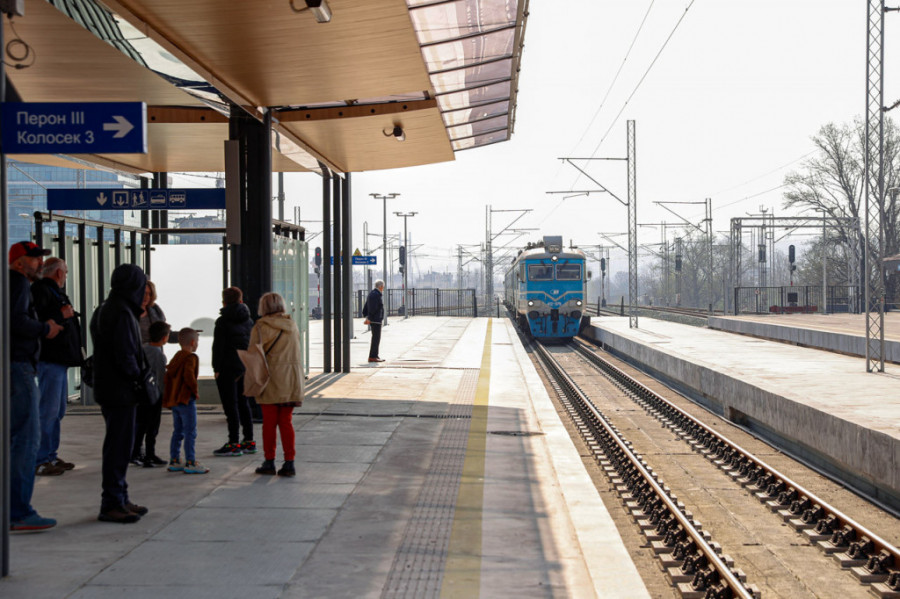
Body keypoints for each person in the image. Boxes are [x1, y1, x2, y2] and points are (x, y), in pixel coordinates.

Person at [91, 263, 151, 524]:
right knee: (119, 447)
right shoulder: (122, 312)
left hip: (110, 388)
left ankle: (120, 497)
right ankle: (113, 502)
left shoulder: (107, 308)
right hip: (120, 391)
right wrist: (139, 380)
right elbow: (126, 355)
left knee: (119, 445)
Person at [8, 241, 62, 532]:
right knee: (26, 440)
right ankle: (19, 511)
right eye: (33, 259)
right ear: (19, 262)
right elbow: (16, 322)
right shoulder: (17, 284)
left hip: (14, 367)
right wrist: (45, 328)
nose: (40, 263)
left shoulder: (13, 284)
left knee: (17, 438)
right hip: (19, 367)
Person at [31, 257, 82, 476]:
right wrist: (60, 316)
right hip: (51, 359)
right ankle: (41, 459)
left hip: (59, 359)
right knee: (49, 410)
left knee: (58, 410)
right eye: (66, 272)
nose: (66, 277)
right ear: (59, 273)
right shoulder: (42, 291)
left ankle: (50, 455)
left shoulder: (50, 291)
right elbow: (38, 321)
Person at [250, 292, 303, 477]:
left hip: (270, 380)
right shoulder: (292, 325)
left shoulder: (260, 327)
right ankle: (289, 463)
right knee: (286, 422)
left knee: (269, 424)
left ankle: (269, 461)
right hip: (291, 380)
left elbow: (254, 355)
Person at [212, 286, 255, 457]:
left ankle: (233, 442)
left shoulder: (222, 322)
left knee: (231, 406)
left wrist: (216, 368)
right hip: (244, 366)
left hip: (228, 368)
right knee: (244, 404)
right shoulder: (249, 320)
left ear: (224, 301)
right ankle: (249, 441)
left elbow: (218, 347)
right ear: (241, 300)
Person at [164, 328, 209, 475]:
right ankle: (191, 461)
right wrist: (194, 390)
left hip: (175, 400)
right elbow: (189, 375)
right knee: (190, 431)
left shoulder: (176, 356)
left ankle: (175, 460)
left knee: (178, 431)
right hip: (186, 399)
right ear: (193, 342)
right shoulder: (191, 358)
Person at [133, 321, 170, 467]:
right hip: (153, 395)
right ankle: (150, 454)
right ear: (164, 338)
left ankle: (136, 452)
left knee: (140, 425)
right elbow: (161, 378)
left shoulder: (143, 349)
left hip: (140, 394)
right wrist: (164, 396)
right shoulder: (159, 355)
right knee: (152, 427)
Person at [363, 279, 385, 363]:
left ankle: (375, 355)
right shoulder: (376, 295)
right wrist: (370, 318)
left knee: (375, 338)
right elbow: (373, 308)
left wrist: (366, 315)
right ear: (380, 286)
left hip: (375, 319)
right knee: (376, 338)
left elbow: (366, 306)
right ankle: (372, 356)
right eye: (383, 287)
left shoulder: (372, 294)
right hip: (375, 320)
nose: (383, 288)